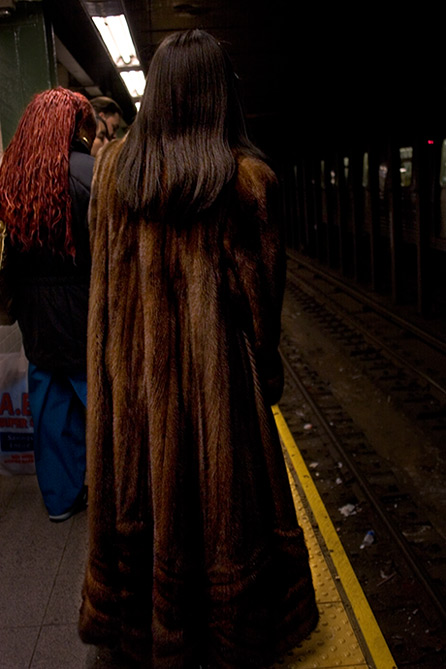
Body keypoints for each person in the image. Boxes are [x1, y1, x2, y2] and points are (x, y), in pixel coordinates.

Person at [79, 30, 318, 667]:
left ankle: (142, 624)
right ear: (219, 96)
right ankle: (230, 628)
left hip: (131, 399)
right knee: (227, 523)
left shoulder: (112, 176)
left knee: (143, 510)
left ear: (154, 94)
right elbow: (261, 313)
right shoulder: (246, 182)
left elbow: (101, 297)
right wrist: (262, 378)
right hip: (220, 403)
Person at [0, 87, 96, 522]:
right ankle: (121, 498)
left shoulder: (13, 178)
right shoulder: (91, 175)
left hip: (34, 317)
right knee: (105, 408)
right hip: (83, 311)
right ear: (75, 126)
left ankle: (61, 499)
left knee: (50, 410)